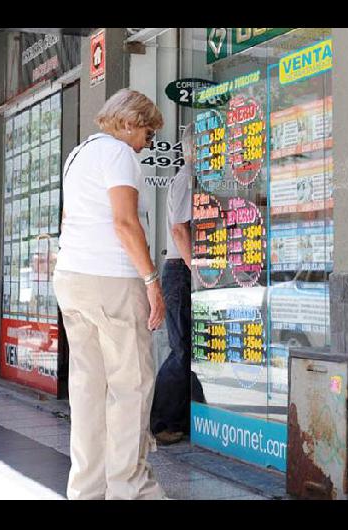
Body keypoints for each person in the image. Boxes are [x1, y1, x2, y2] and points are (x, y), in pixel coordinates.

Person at [52, 89, 166, 500]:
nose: (147, 144)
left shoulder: (77, 155)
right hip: (111, 280)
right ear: (130, 122)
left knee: (88, 391)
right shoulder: (119, 154)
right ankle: (130, 489)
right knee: (130, 386)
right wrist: (153, 281)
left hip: (72, 279)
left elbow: (69, 220)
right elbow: (124, 223)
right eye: (148, 133)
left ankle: (87, 490)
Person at [150, 124, 206, 446]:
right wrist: (195, 269)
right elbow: (179, 230)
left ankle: (183, 419)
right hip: (180, 271)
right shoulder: (186, 177)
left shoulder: (192, 179)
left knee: (188, 349)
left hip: (182, 270)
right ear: (194, 149)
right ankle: (161, 422)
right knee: (182, 349)